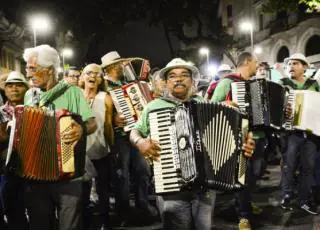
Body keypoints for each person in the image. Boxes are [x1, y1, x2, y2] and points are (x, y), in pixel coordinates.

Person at [130, 58, 255, 230]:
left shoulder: (204, 104)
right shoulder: (153, 107)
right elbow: (134, 132)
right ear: (166, 82)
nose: (178, 79)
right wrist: (141, 142)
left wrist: (246, 140)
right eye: (172, 76)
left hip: (205, 187)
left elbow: (233, 128)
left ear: (192, 81)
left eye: (184, 75)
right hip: (170, 187)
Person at [23, 44, 97, 230]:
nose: (28, 73)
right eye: (27, 68)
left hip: (68, 174)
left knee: (69, 225)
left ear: (48, 70)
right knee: (39, 224)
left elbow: (91, 123)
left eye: (32, 68)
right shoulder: (29, 96)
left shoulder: (72, 92)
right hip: (37, 174)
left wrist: (80, 129)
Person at [101, 51, 157, 226]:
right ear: (110, 67)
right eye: (118, 64)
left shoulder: (130, 83)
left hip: (136, 134)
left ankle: (143, 204)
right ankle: (123, 211)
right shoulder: (103, 86)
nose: (122, 66)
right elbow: (98, 109)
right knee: (122, 175)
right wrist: (112, 119)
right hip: (119, 138)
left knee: (143, 170)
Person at [211, 52, 263, 230]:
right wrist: (228, 106)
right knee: (243, 176)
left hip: (257, 137)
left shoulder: (255, 85)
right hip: (237, 137)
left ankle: (245, 203)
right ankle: (243, 215)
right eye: (256, 62)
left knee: (254, 174)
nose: (258, 65)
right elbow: (212, 105)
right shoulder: (227, 82)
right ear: (247, 62)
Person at [279, 53, 319, 215]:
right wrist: (283, 110)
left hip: (311, 132)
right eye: (289, 64)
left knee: (308, 166)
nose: (291, 67)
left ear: (304, 67)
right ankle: (287, 194)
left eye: (295, 64)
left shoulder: (313, 84)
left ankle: (305, 199)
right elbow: (275, 108)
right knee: (289, 165)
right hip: (291, 131)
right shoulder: (283, 84)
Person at [80, 63, 114, 229]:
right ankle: (85, 221)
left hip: (100, 149)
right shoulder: (75, 95)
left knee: (103, 189)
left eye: (96, 74)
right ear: (82, 76)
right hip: (79, 151)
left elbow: (108, 125)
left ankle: (105, 221)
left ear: (101, 79)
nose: (92, 76)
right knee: (82, 190)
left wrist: (112, 147)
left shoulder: (105, 97)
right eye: (88, 73)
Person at [0, 71, 29, 230]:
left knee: (38, 210)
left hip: (34, 167)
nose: (14, 89)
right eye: (10, 86)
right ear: (5, 91)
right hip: (9, 168)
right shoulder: (0, 113)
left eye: (19, 85)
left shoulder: (35, 108)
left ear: (27, 89)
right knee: (13, 210)